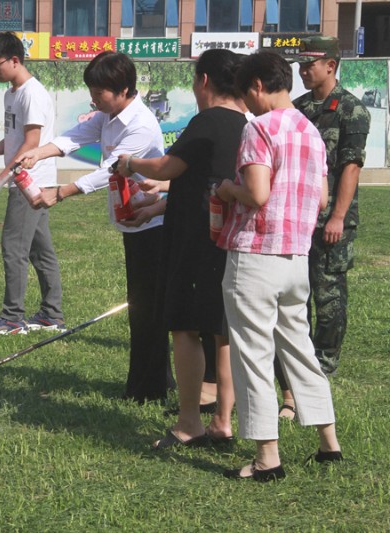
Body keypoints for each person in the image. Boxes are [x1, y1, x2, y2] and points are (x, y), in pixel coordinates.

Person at [17, 51, 172, 403]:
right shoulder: (109, 114)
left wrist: (62, 192)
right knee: (142, 307)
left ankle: (149, 390)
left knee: (147, 309)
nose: (93, 98)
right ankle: (155, 383)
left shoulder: (141, 125)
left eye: (99, 91)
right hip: (133, 222)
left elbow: (113, 171)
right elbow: (75, 136)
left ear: (124, 89)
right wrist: (37, 154)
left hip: (152, 222)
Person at [217, 51, 341, 481]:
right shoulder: (311, 131)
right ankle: (329, 442)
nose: (246, 105)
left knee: (252, 354)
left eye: (245, 95)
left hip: (255, 256)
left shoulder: (259, 129)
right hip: (296, 259)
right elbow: (322, 199)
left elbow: (256, 193)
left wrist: (228, 189)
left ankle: (267, 456)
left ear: (255, 86)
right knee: (299, 349)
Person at [117, 48, 245, 446]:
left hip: (194, 241)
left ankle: (189, 422)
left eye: (194, 80)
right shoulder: (247, 123)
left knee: (185, 328)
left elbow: (168, 167)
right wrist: (155, 206)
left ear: (204, 80)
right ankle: (223, 420)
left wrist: (130, 164)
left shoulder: (208, 121)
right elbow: (199, 182)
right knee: (222, 331)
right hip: (227, 236)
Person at [274, 36, 371, 420]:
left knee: (329, 300)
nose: (302, 70)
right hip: (297, 219)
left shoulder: (350, 110)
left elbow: (350, 167)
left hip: (332, 224)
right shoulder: (297, 109)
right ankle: (292, 384)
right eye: (299, 64)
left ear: (331, 65)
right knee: (295, 300)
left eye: (309, 64)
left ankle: (322, 371)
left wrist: (336, 216)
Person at [0, 31, 64, 335]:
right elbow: (14, 138)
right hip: (23, 178)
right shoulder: (11, 93)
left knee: (13, 246)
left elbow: (32, 142)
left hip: (30, 181)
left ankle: (12, 318)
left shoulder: (32, 93)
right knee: (40, 250)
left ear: (15, 59)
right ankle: (52, 315)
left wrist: (0, 178)